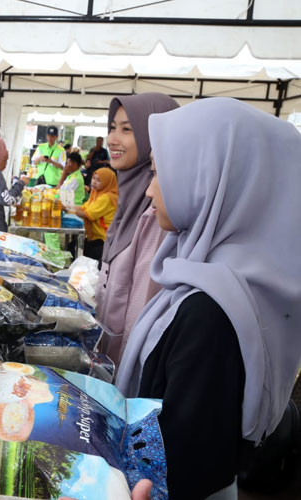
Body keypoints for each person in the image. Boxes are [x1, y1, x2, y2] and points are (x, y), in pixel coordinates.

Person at [116, 98, 301, 500]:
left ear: (209, 180)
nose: (149, 190)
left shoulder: (212, 310)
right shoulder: (211, 280)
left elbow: (187, 461)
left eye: (159, 174)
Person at [95, 93, 179, 365]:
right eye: (112, 128)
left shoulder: (157, 211)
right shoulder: (129, 197)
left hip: (125, 378)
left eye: (127, 130)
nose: (112, 139)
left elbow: (142, 312)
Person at [66, 167, 118, 261]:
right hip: (94, 236)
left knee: (76, 249)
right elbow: (83, 208)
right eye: (94, 178)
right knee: (72, 246)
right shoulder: (96, 193)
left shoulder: (106, 198)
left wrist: (67, 208)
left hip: (103, 240)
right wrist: (67, 206)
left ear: (107, 182)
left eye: (98, 180)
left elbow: (87, 214)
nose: (94, 182)